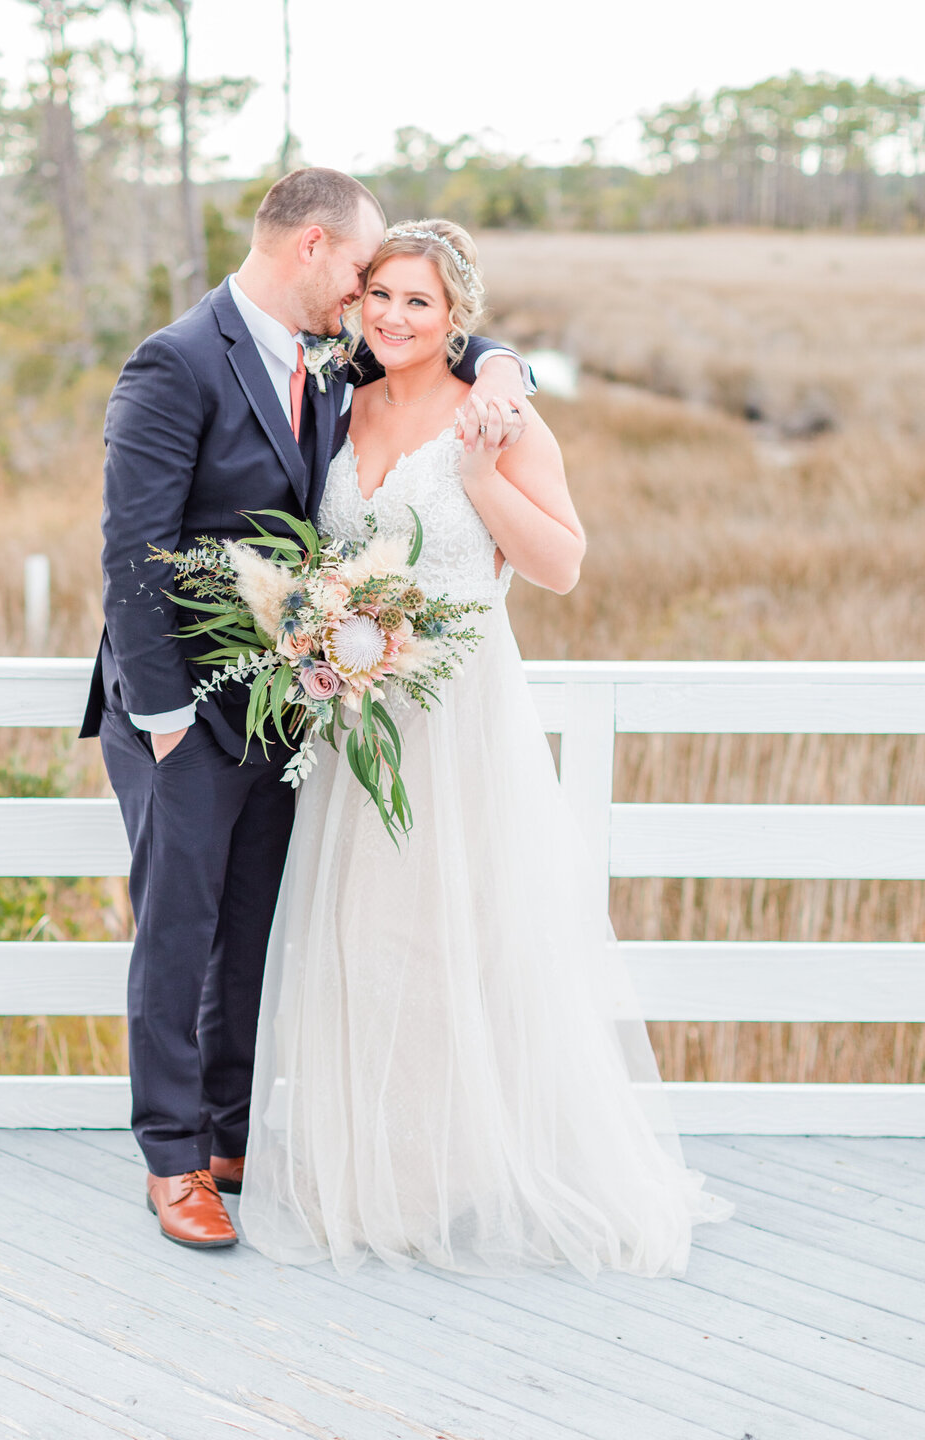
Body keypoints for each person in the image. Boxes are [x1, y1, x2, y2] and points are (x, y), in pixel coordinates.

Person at [239, 219, 733, 1278]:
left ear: (455, 317)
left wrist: (477, 477)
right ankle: (364, 1168)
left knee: (450, 942)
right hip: (359, 721)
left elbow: (560, 564)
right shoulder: (341, 402)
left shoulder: (496, 417)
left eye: (418, 302)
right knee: (359, 940)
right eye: (379, 297)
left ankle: (439, 1172)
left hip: (459, 717)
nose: (393, 317)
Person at [80, 171, 532, 1250]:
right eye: (362, 275)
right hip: (181, 713)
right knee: (179, 933)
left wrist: (505, 366)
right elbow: (132, 551)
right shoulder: (176, 362)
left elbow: (444, 338)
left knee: (253, 932)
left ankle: (231, 1132)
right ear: (315, 249)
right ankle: (174, 1160)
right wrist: (161, 714)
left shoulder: (330, 361)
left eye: (387, 287)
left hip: (287, 712)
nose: (373, 299)